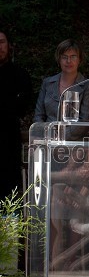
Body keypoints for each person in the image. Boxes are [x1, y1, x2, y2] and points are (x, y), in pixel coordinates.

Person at [0, 28, 32, 201]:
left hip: (8, 145)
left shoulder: (20, 75)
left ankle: (8, 229)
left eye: (1, 42)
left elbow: (21, 107)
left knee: (8, 198)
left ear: (9, 45)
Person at [34, 38, 89, 122]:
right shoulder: (47, 83)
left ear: (79, 60)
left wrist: (63, 135)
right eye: (64, 57)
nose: (68, 61)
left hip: (74, 135)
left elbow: (84, 121)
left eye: (73, 57)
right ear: (59, 60)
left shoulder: (88, 86)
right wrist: (46, 134)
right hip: (47, 133)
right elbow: (38, 116)